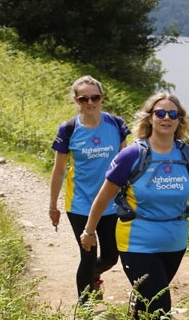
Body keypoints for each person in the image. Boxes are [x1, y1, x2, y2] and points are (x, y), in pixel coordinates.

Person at [80, 92, 189, 320]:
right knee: (160, 302)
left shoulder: (188, 155)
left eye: (173, 114)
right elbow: (104, 195)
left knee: (150, 300)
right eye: (160, 113)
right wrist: (89, 231)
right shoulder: (132, 155)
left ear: (180, 121)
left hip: (174, 242)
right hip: (137, 241)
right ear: (150, 118)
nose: (166, 118)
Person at [49, 75, 130, 303]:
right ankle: (85, 312)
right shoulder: (68, 129)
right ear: (76, 100)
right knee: (87, 256)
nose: (90, 102)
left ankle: (94, 275)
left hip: (112, 204)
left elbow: (127, 161)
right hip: (80, 204)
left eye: (95, 97)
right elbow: (59, 170)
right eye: (84, 98)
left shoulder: (115, 124)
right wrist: (52, 206)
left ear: (102, 97)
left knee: (111, 257)